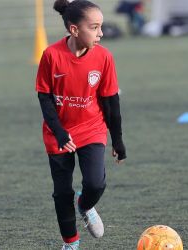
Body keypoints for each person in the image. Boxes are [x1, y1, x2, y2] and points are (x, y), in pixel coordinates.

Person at [35, 0, 126, 249]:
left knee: (95, 183)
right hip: (58, 132)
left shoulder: (104, 57)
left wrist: (117, 139)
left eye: (101, 27)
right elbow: (44, 97)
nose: (101, 33)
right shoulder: (51, 55)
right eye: (94, 27)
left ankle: (84, 205)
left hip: (91, 127)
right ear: (74, 30)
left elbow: (110, 102)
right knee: (62, 192)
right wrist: (60, 132)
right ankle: (71, 243)